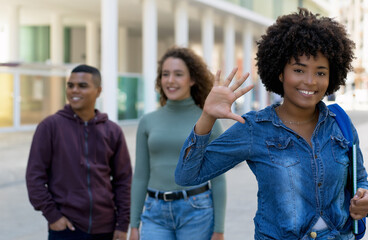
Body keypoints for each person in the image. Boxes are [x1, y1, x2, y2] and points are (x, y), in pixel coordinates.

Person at [175, 8, 368, 240]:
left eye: (320, 73)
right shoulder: (255, 128)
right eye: (299, 70)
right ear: (280, 73)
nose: (310, 81)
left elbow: (360, 179)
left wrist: (366, 196)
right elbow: (187, 176)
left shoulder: (340, 124)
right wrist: (207, 117)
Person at [26, 64, 132, 240]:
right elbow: (34, 177)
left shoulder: (112, 131)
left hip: (106, 228)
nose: (74, 90)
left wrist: (122, 224)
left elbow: (124, 180)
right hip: (66, 228)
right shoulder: (50, 127)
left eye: (82, 86)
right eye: (70, 85)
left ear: (98, 91)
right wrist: (53, 216)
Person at [129, 47, 226, 240]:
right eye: (166, 74)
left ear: (192, 79)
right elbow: (140, 175)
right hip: (154, 212)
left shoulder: (208, 120)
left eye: (178, 74)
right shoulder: (148, 121)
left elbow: (218, 179)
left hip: (196, 210)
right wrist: (133, 225)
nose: (170, 80)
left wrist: (219, 229)